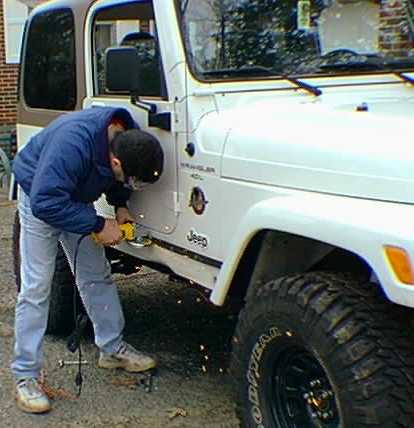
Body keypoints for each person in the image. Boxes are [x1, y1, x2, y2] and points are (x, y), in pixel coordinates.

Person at [11, 106, 164, 414]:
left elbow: (116, 182)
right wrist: (97, 224)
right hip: (40, 196)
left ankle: (111, 348)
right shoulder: (73, 144)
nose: (131, 185)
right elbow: (46, 202)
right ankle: (25, 376)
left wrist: (120, 206)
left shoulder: (128, 138)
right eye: (131, 180)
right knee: (37, 287)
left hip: (73, 195)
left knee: (96, 274)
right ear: (116, 160)